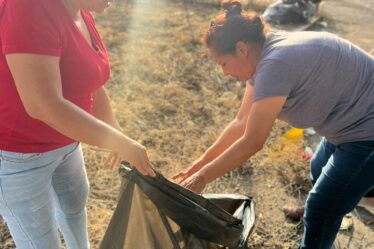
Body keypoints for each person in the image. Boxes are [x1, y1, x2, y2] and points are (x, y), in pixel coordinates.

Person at [173, 0, 374, 248]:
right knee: (319, 169)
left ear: (241, 49)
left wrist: (203, 178)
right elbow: (241, 122)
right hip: (348, 126)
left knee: (322, 210)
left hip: (366, 133)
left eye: (223, 63)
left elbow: (253, 141)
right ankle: (335, 202)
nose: (224, 72)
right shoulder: (263, 58)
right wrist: (199, 164)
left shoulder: (274, 65)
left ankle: (325, 213)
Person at [0, 0, 155, 248]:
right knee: (41, 243)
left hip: (67, 142)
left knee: (74, 209)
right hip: (20, 157)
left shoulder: (80, 8)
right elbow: (42, 104)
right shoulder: (26, 7)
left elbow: (91, 82)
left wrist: (117, 134)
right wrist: (119, 142)